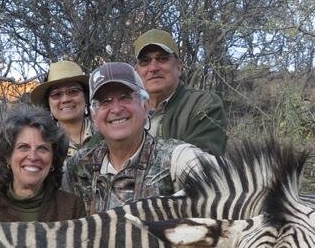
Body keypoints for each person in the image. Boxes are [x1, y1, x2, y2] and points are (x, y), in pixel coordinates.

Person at [66, 62, 211, 213]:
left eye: (125, 97)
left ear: (145, 105)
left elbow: (222, 180)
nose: (116, 109)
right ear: (94, 116)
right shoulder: (79, 167)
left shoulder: (175, 158)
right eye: (105, 102)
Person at [0, 105, 86, 222]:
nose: (33, 157)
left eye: (43, 148)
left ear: (53, 158)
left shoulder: (72, 208)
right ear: (7, 156)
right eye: (23, 147)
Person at [133, 28, 227, 155]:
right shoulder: (124, 110)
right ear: (136, 71)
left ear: (179, 66)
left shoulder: (203, 105)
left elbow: (199, 167)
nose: (153, 68)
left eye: (162, 59)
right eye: (145, 61)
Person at [29, 59, 94, 155]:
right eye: (56, 94)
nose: (65, 99)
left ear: (86, 97)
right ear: (48, 103)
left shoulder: (106, 132)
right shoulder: (41, 143)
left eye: (73, 91)